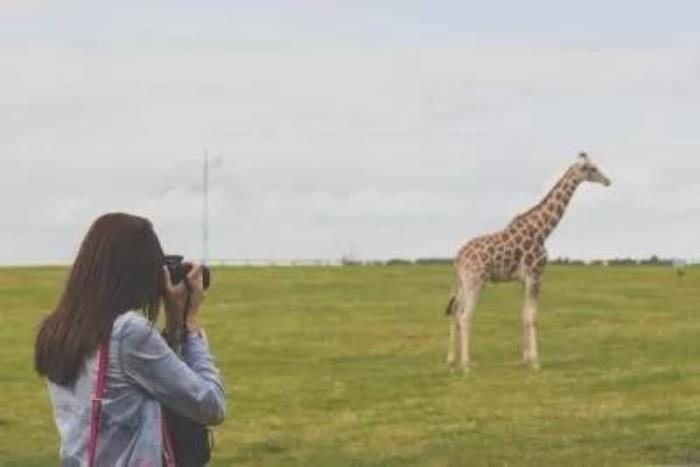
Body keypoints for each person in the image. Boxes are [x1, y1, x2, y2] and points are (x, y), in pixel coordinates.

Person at [34, 212, 225, 466]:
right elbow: (209, 405)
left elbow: (163, 384)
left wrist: (173, 323)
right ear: (135, 271)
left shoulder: (58, 329)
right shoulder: (128, 334)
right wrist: (189, 325)